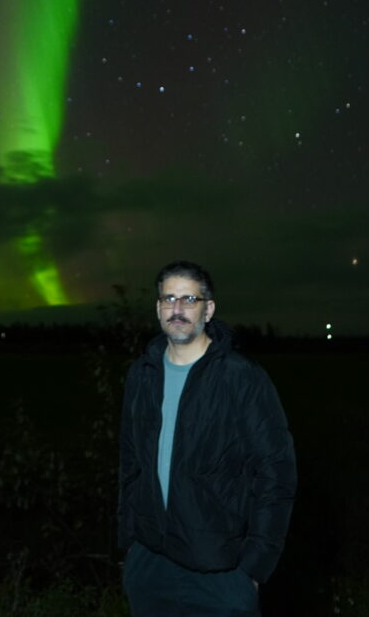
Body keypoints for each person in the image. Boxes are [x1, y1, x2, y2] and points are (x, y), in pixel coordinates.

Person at [119, 260, 296, 617]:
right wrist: (128, 544)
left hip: (221, 571)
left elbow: (276, 474)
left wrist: (254, 568)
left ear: (209, 309)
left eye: (189, 299)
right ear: (158, 308)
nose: (178, 309)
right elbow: (129, 462)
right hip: (150, 565)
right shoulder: (142, 374)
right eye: (169, 299)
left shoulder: (241, 377)